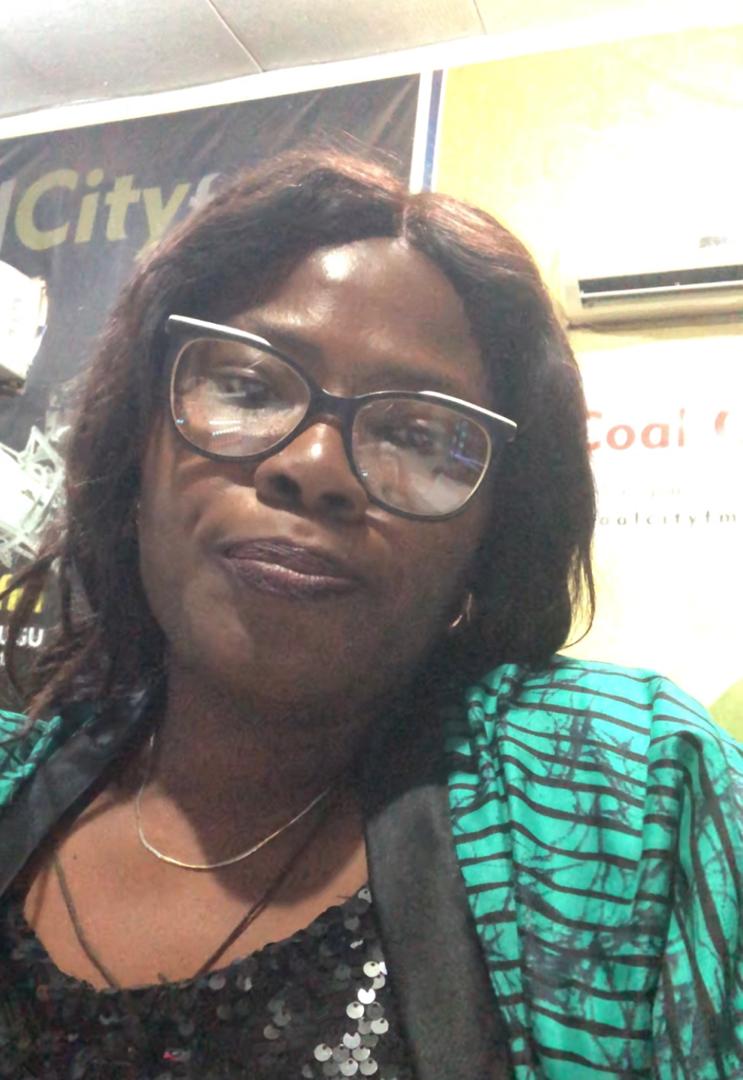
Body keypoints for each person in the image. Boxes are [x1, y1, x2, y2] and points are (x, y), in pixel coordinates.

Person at [0, 150, 740, 1080]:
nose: (313, 466)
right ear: (137, 445)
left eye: (417, 433)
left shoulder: (629, 798)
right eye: (247, 386)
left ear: (493, 528)